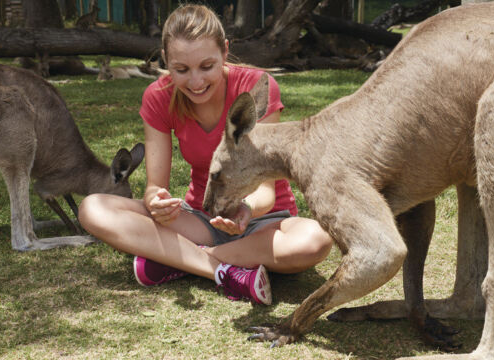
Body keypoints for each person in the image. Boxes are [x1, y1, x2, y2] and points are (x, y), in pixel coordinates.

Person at [78, 4, 332, 305]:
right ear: (166, 61)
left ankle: (178, 260)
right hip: (201, 220)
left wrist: (245, 210)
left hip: (264, 220)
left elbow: (267, 192)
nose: (195, 82)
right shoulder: (158, 96)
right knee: (93, 208)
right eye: (181, 70)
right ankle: (226, 272)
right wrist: (156, 203)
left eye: (207, 66)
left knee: (317, 240)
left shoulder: (255, 87)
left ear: (225, 51)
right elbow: (154, 188)